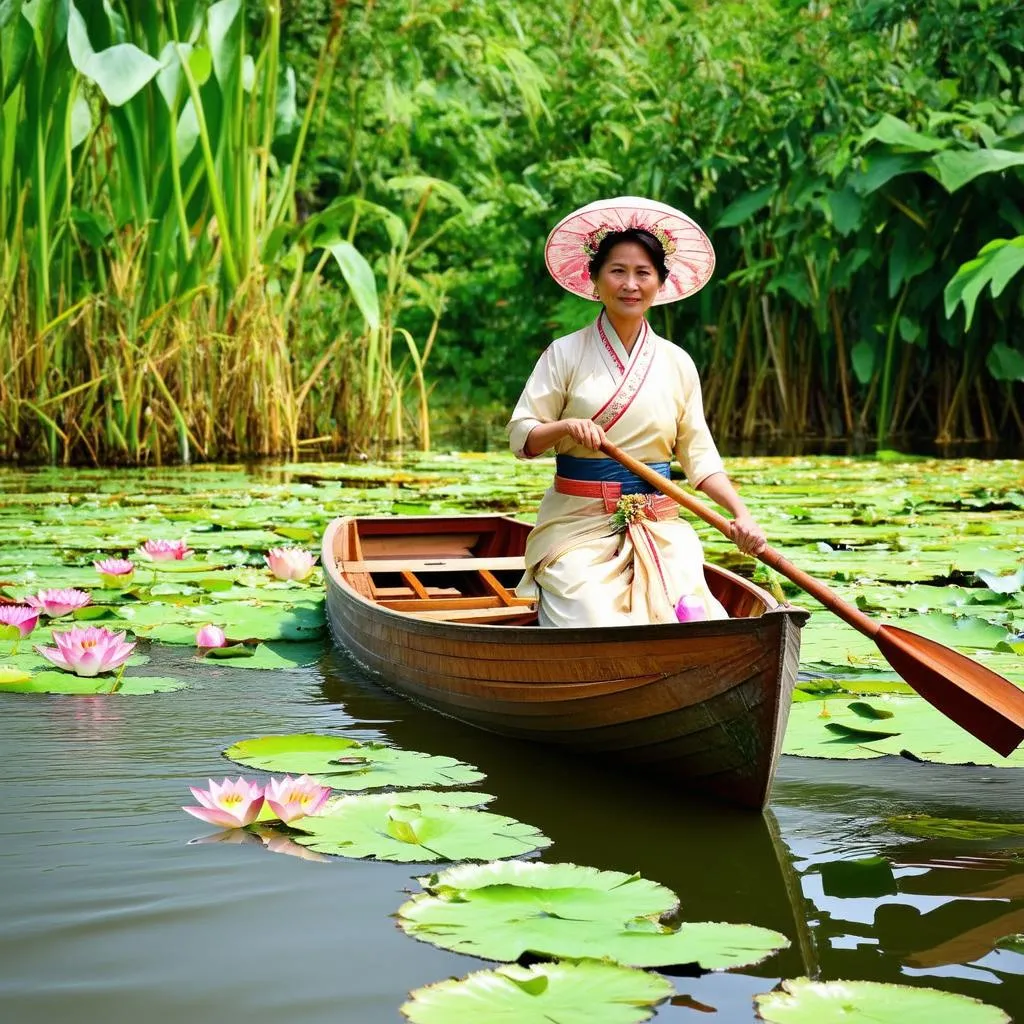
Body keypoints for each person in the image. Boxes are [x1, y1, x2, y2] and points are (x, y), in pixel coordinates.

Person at [506, 196, 766, 628]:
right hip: (576, 524)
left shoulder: (678, 362)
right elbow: (523, 435)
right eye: (617, 271)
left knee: (695, 618)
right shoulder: (564, 353)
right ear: (594, 280)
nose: (630, 284)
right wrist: (565, 427)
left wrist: (741, 514)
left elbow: (699, 458)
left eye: (643, 273)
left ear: (659, 284)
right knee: (590, 617)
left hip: (660, 523)